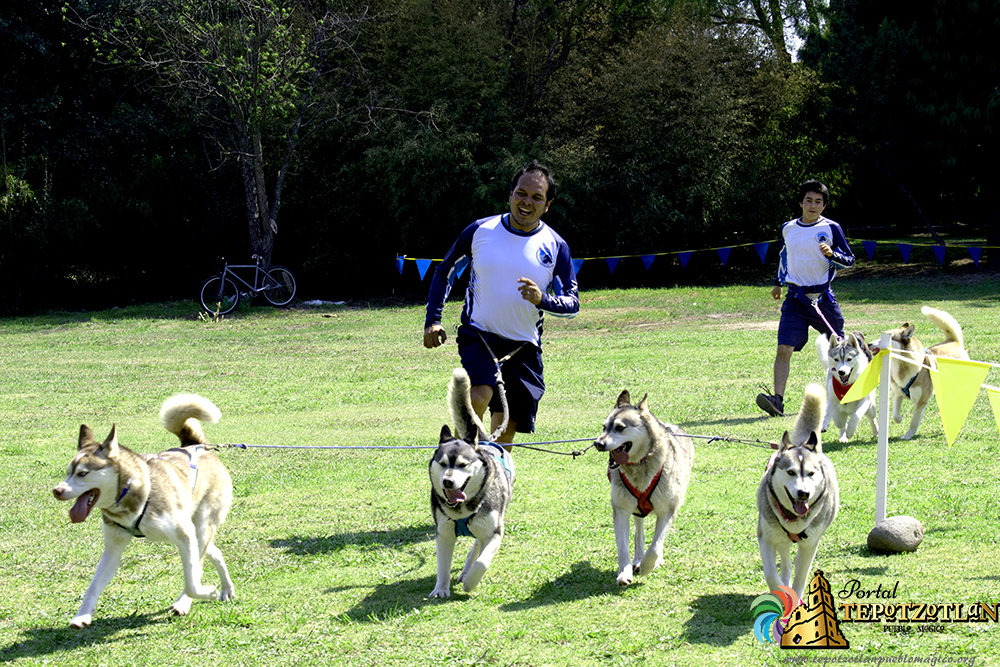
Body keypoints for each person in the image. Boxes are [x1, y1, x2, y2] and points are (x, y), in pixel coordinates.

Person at [423, 160, 579, 446]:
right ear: (510, 195)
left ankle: (493, 482)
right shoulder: (480, 230)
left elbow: (572, 303)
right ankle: (461, 459)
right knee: (479, 394)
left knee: (505, 431)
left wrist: (542, 299)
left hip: (524, 346)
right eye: (521, 193)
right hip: (479, 335)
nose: (526, 202)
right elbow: (444, 271)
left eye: (536, 197)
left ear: (547, 205)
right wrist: (433, 320)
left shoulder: (556, 246)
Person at [756, 180, 855, 417]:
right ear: (801, 203)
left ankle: (847, 397)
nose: (813, 205)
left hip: (824, 298)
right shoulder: (788, 228)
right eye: (808, 201)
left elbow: (850, 260)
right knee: (783, 349)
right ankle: (777, 401)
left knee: (840, 349)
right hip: (795, 299)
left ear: (824, 206)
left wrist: (833, 255)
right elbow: (784, 256)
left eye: (818, 202)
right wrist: (778, 283)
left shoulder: (832, 228)